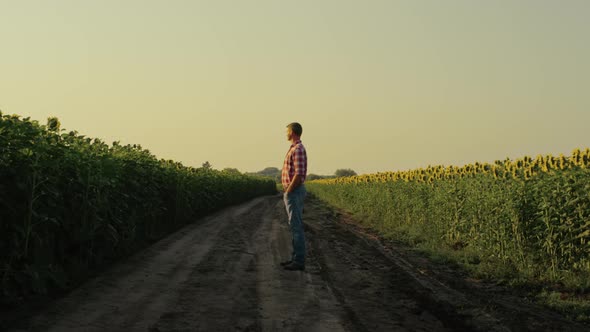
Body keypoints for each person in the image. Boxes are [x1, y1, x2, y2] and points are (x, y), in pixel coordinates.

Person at [280, 122, 307, 271]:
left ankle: (299, 261)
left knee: (296, 227)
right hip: (293, 191)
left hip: (294, 192)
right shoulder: (294, 148)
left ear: (293, 132)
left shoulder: (298, 149)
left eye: (287, 131)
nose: (286, 133)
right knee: (294, 226)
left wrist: (289, 190)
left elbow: (299, 173)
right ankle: (295, 258)